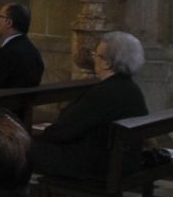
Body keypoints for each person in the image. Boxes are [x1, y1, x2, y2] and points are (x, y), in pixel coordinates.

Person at [29, 31, 149, 180]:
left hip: (97, 166)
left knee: (22, 150)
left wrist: (40, 137)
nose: (94, 59)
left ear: (107, 63)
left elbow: (64, 130)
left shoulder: (103, 92)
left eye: (96, 55)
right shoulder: (132, 89)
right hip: (122, 162)